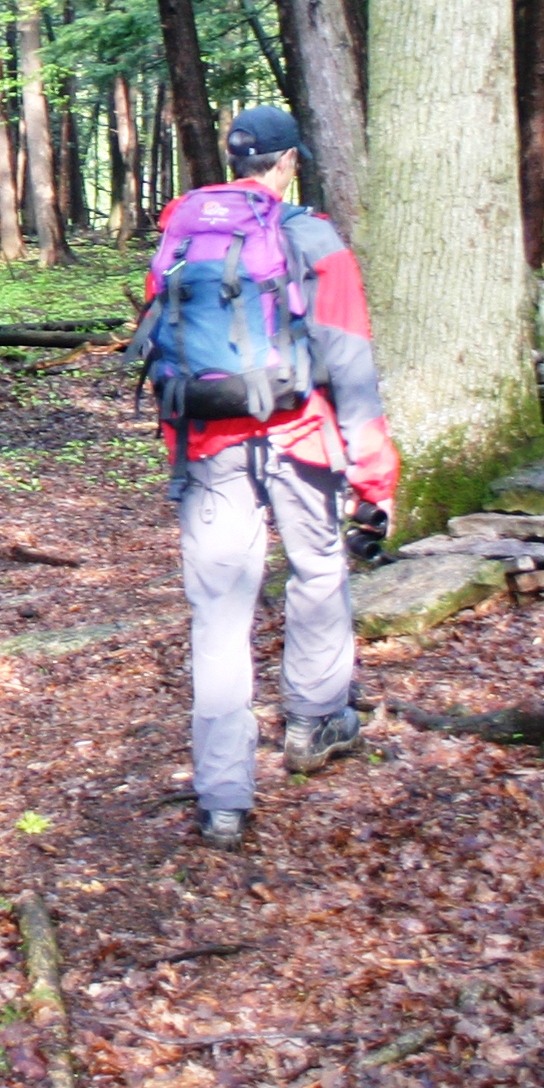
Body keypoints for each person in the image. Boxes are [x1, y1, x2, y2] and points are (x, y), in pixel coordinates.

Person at [138, 106, 399, 851]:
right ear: (287, 163)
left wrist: (179, 454)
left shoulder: (186, 233)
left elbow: (166, 348)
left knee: (218, 614)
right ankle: (314, 722)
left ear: (234, 158)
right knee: (318, 569)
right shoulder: (312, 237)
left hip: (207, 441)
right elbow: (349, 359)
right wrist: (375, 473)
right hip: (301, 438)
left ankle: (223, 798)